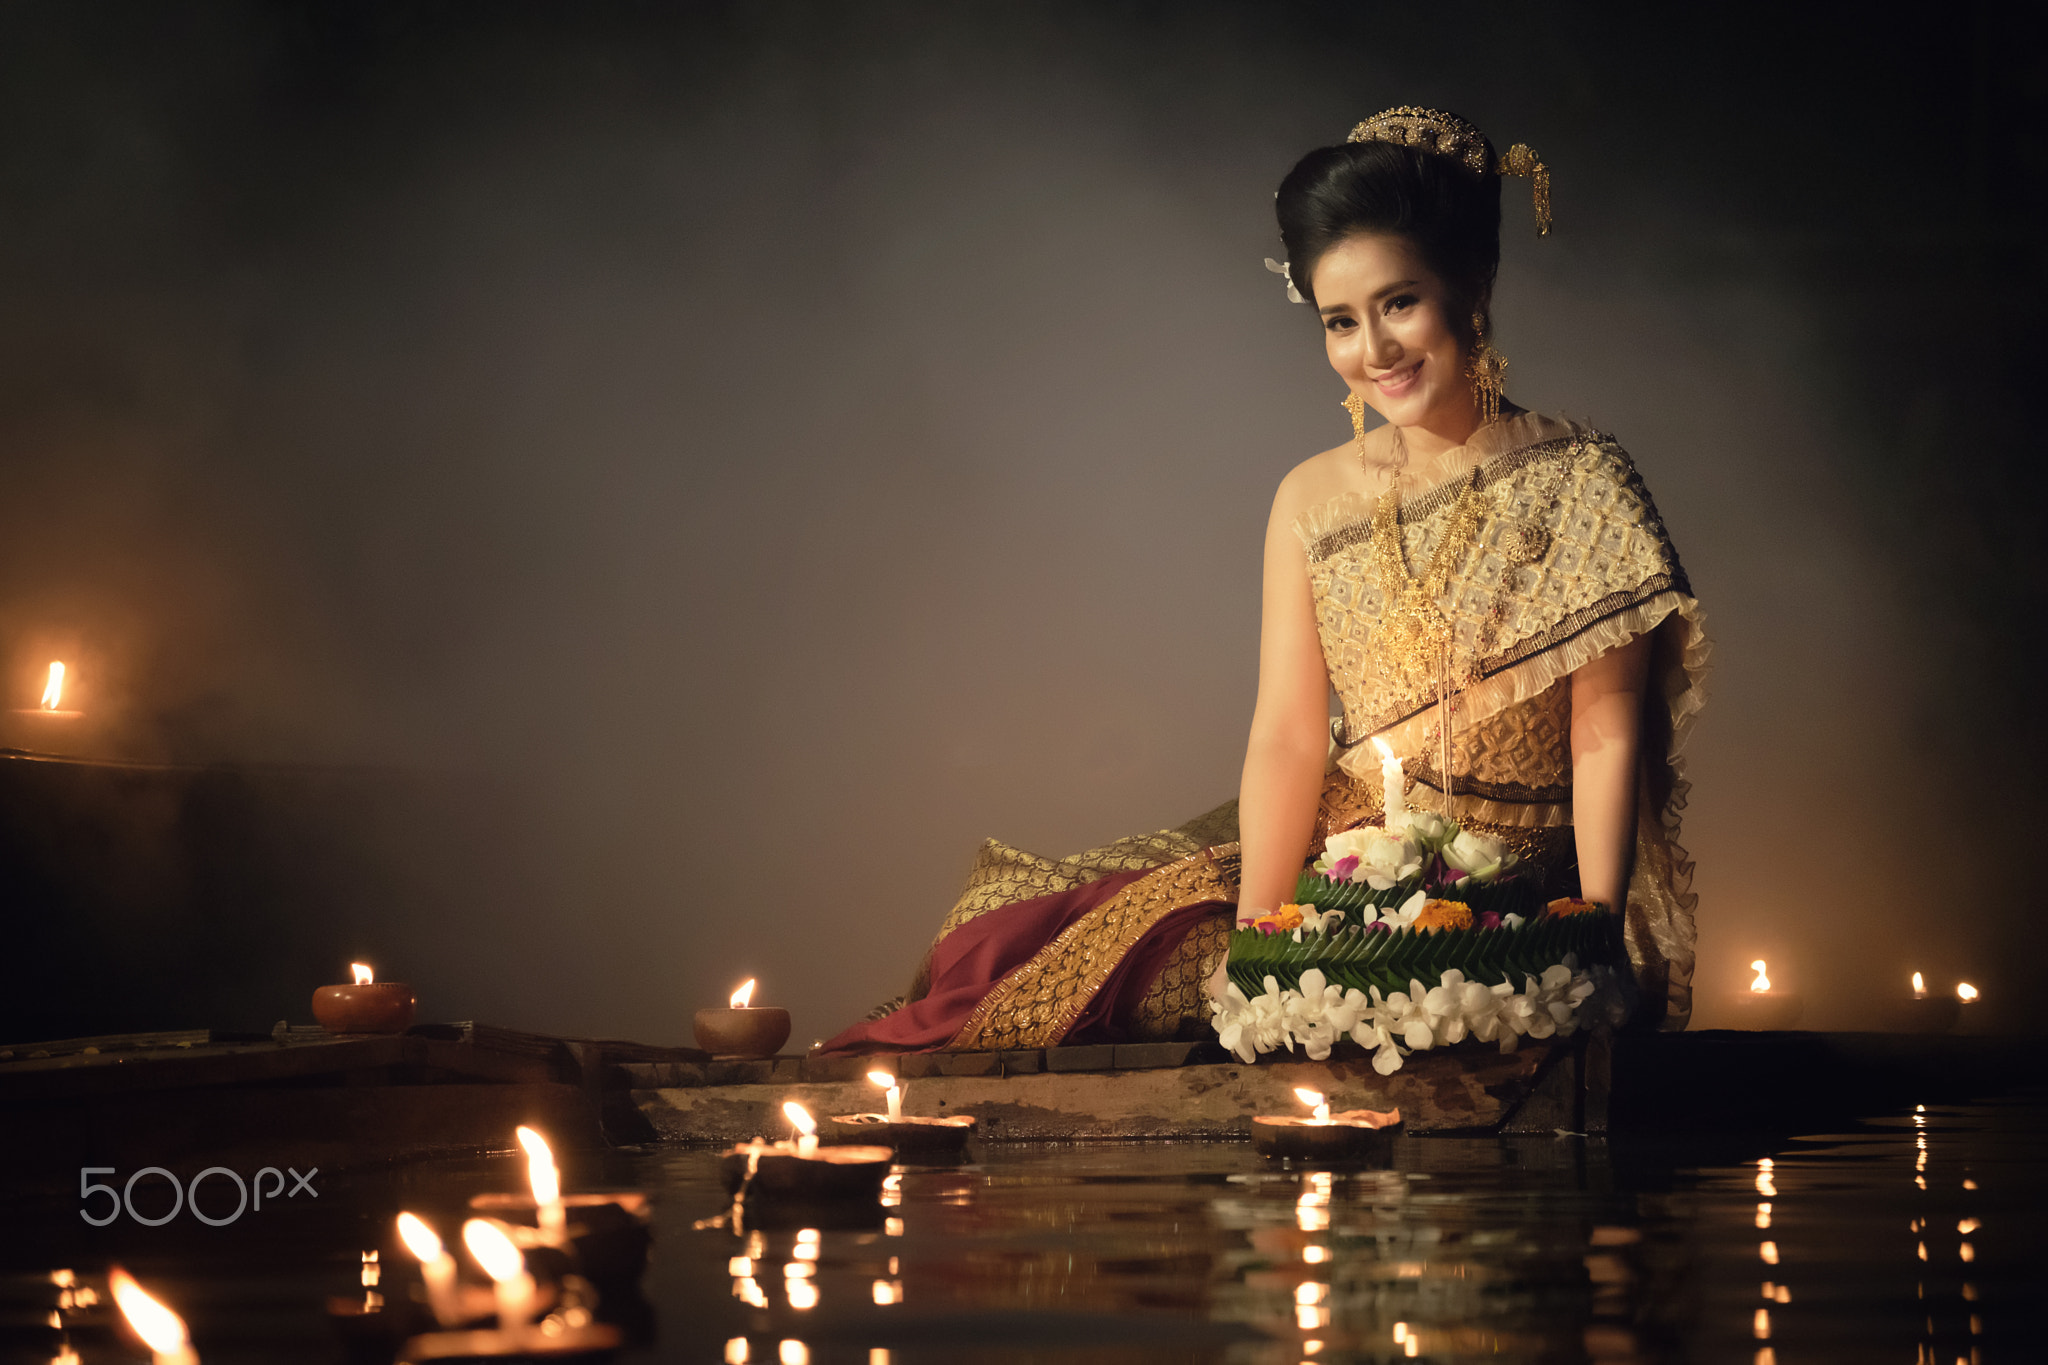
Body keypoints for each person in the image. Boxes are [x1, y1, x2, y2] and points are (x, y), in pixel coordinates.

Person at [816, 107, 1707, 1058]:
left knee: (1444, 999)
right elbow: (1286, 734)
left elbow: (1605, 728)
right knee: (1084, 954)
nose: (1375, 351)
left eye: (1399, 302)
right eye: (1339, 322)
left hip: (1521, 882)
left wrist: (1593, 932)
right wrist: (1258, 942)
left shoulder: (1580, 475)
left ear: (1472, 283)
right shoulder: (1310, 498)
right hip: (1343, 861)